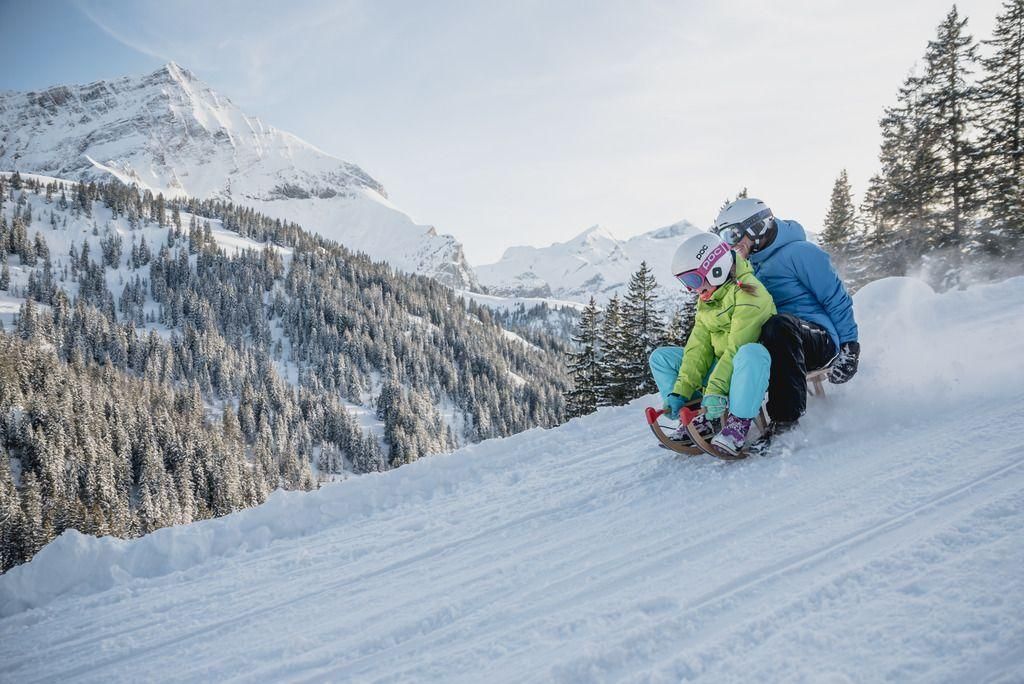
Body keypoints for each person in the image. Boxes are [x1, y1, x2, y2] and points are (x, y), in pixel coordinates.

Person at [713, 198, 860, 434]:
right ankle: (714, 416)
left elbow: (835, 298)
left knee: (778, 325)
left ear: (756, 227)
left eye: (732, 235)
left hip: (816, 340)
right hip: (778, 343)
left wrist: (850, 346)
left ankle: (785, 420)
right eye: (724, 237)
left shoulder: (801, 253)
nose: (731, 244)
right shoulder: (747, 265)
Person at [648, 232, 776, 455]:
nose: (694, 290)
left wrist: (715, 389)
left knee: (750, 352)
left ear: (716, 269)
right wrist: (680, 392)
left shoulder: (751, 294)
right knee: (661, 358)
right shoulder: (708, 298)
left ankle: (738, 423)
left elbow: (736, 348)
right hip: (721, 368)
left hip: (747, 373)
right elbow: (698, 349)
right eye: (687, 283)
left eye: (694, 280)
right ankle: (696, 416)